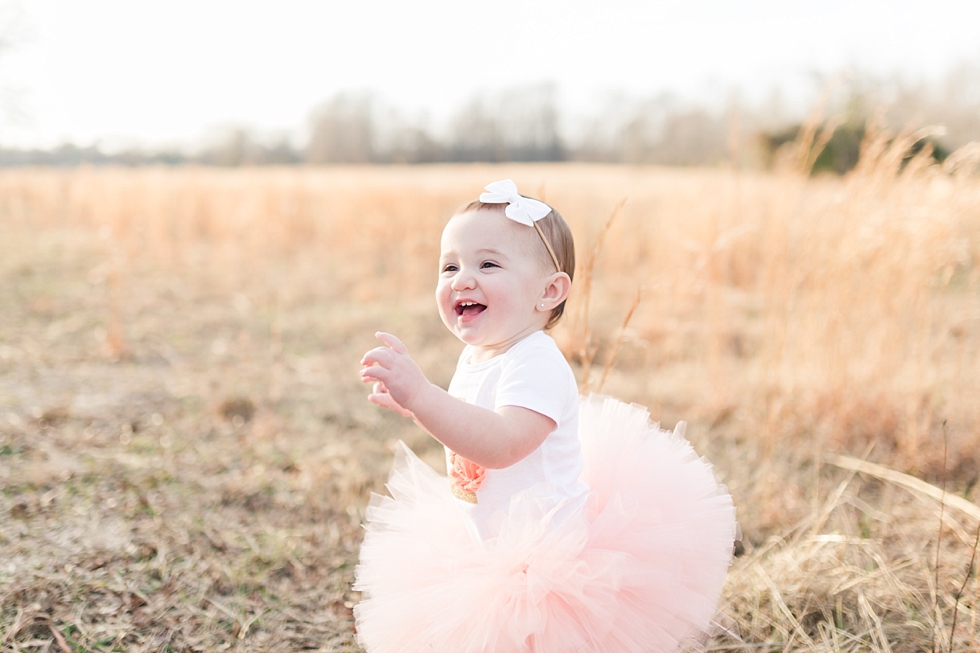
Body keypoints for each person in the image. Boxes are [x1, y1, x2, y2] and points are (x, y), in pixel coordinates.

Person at [356, 179, 737, 653]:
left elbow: (502, 444)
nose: (461, 278)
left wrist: (424, 395)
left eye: (487, 264)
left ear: (549, 292)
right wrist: (419, 410)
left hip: (550, 562)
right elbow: (469, 432)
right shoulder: (478, 357)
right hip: (491, 543)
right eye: (449, 265)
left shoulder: (535, 362)